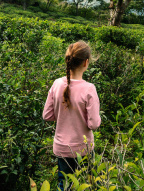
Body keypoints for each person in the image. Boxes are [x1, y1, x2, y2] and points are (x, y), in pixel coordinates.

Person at [43, 41, 101, 191]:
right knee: (88, 183)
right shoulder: (89, 89)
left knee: (64, 185)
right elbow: (94, 124)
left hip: (62, 148)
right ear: (86, 62)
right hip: (83, 149)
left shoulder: (56, 84)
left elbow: (47, 115)